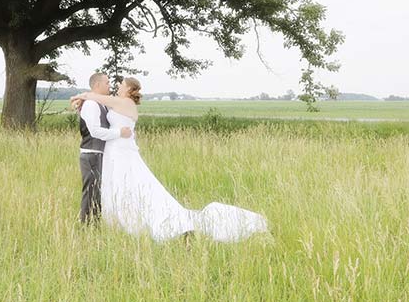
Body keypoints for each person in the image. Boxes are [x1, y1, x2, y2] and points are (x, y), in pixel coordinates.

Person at [71, 77, 268, 242]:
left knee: (132, 184)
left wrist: (81, 96)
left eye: (121, 84)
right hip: (114, 151)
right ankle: (117, 221)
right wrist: (82, 102)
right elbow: (97, 102)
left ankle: (136, 221)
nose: (117, 86)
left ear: (129, 89)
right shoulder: (116, 101)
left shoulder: (125, 103)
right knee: (117, 187)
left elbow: (95, 97)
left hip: (122, 151)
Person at [78, 72, 133, 225]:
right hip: (91, 155)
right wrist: (119, 133)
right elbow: (95, 131)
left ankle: (96, 224)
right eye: (107, 83)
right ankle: (87, 226)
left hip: (100, 154)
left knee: (99, 192)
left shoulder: (100, 103)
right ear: (97, 85)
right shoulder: (91, 105)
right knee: (91, 192)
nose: (110, 85)